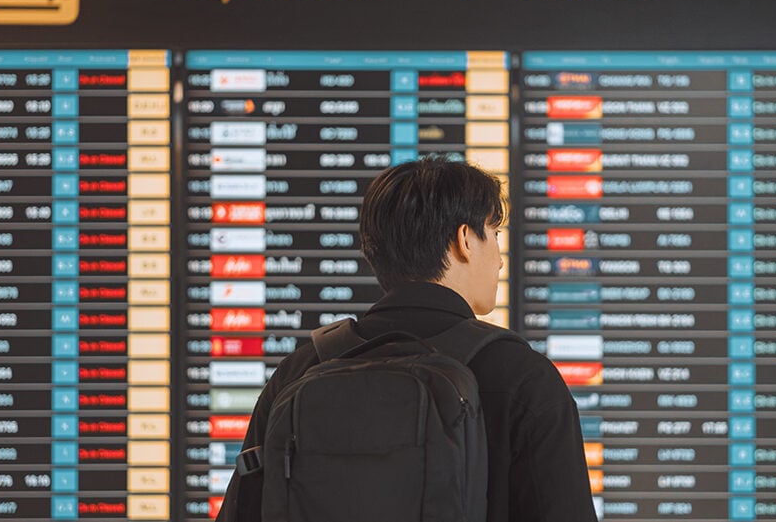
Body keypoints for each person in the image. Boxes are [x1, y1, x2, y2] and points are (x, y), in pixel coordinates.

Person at [217, 155, 596, 522]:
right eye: (494, 234)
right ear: (465, 239)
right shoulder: (521, 376)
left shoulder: (301, 369)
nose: (499, 259)